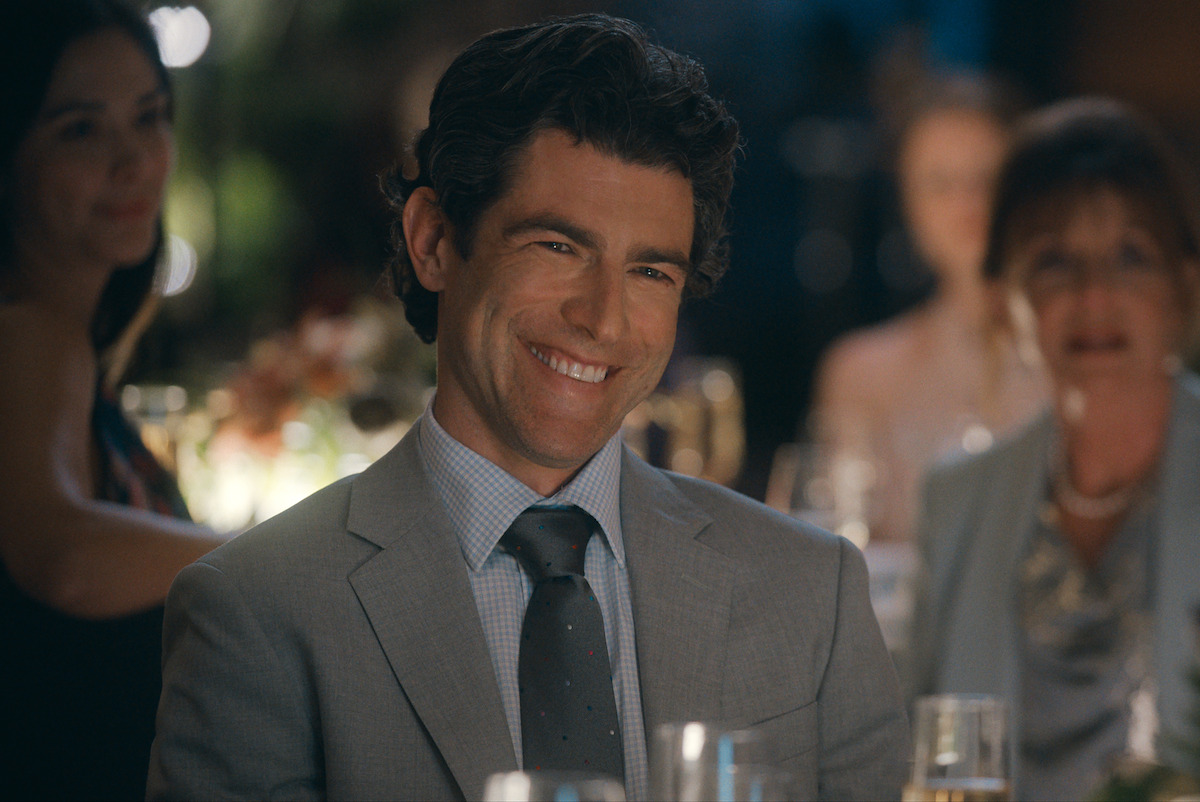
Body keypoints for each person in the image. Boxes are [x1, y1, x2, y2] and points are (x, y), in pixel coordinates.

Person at [148, 14, 909, 801]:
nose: (604, 319)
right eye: (558, 247)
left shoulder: (811, 593)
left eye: (650, 272)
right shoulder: (260, 612)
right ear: (434, 241)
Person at [906, 97, 1200, 801]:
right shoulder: (958, 501)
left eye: (1132, 256)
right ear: (1006, 296)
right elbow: (920, 757)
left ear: (1185, 287)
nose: (1095, 294)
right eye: (1055, 261)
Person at [0, 1, 227, 799]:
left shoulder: (67, 341)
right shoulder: (29, 334)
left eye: (150, 117)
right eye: (80, 130)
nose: (135, 160)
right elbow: (60, 553)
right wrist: (275, 556)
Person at [807, 73, 1048, 546]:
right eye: (940, 184)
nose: (966, 203)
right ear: (908, 203)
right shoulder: (860, 370)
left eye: (987, 179)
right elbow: (841, 552)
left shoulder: (1082, 356)